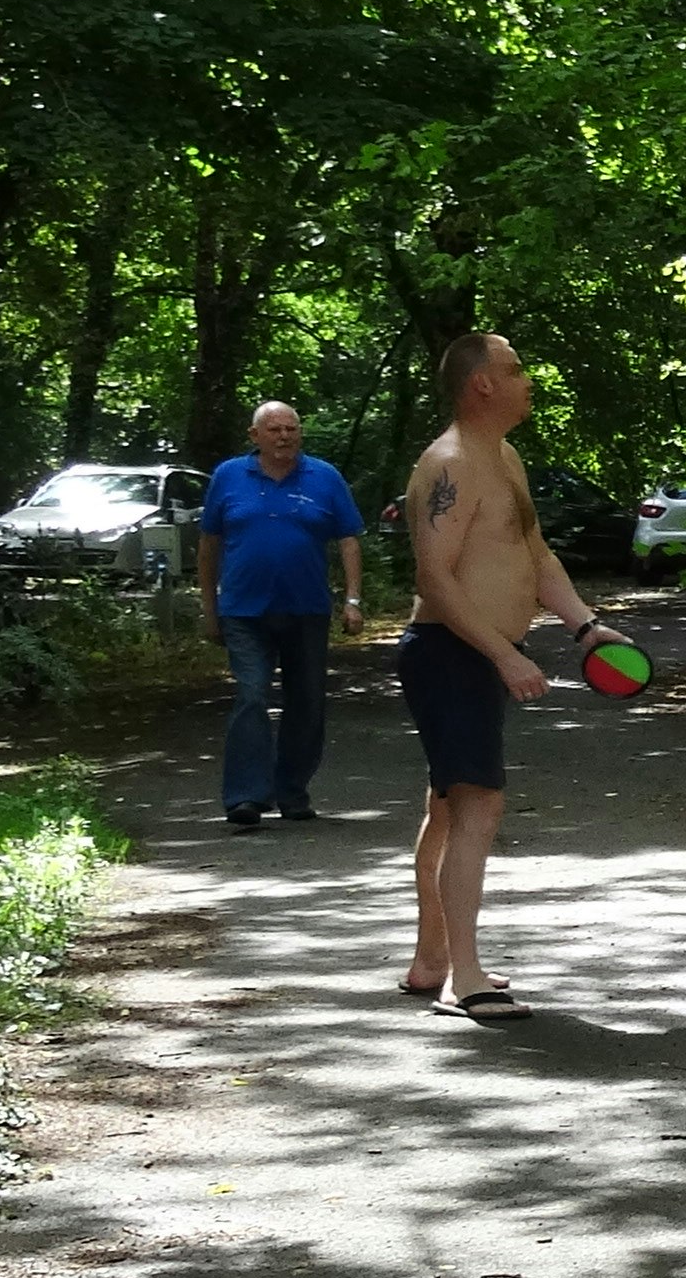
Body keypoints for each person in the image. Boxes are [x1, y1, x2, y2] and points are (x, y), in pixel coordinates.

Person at [396, 330, 601, 1021]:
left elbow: (536, 556)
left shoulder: (504, 457)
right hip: (449, 652)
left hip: (473, 654)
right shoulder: (449, 464)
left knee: (449, 806)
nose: (527, 380)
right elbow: (435, 578)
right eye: (516, 369)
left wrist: (585, 625)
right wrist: (503, 655)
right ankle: (464, 978)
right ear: (483, 383)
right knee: (478, 804)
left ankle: (432, 959)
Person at [199, 401, 367, 830]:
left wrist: (353, 600)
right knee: (251, 695)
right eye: (274, 429)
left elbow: (349, 539)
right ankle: (245, 796)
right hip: (244, 609)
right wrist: (209, 608)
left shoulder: (324, 476)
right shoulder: (228, 476)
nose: (284, 436)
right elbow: (209, 544)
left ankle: (292, 789)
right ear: (255, 435)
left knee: (307, 701)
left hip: (306, 608)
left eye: (291, 429)